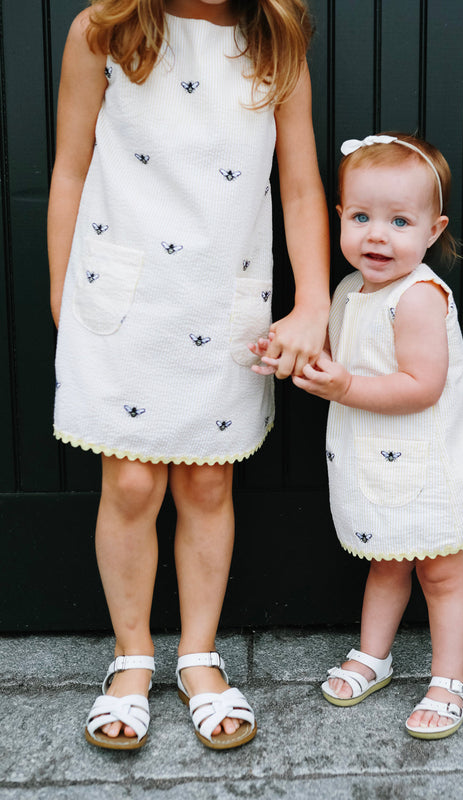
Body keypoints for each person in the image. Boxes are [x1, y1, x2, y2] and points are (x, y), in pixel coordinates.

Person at [48, 0, 329, 751]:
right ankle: (132, 657)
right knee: (131, 484)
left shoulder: (274, 43)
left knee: (208, 483)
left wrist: (311, 303)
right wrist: (63, 299)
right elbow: (70, 169)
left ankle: (198, 655)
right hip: (122, 295)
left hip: (220, 294)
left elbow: (300, 186)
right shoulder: (102, 31)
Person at [253, 133, 463, 739]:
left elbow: (422, 386)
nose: (377, 236)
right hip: (377, 463)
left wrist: (342, 386)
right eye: (361, 217)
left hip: (433, 466)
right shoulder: (346, 291)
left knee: (442, 575)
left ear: (433, 231)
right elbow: (339, 355)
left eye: (399, 221)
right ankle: (374, 655)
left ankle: (450, 680)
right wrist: (293, 353)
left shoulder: (418, 298)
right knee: (386, 563)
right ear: (340, 217)